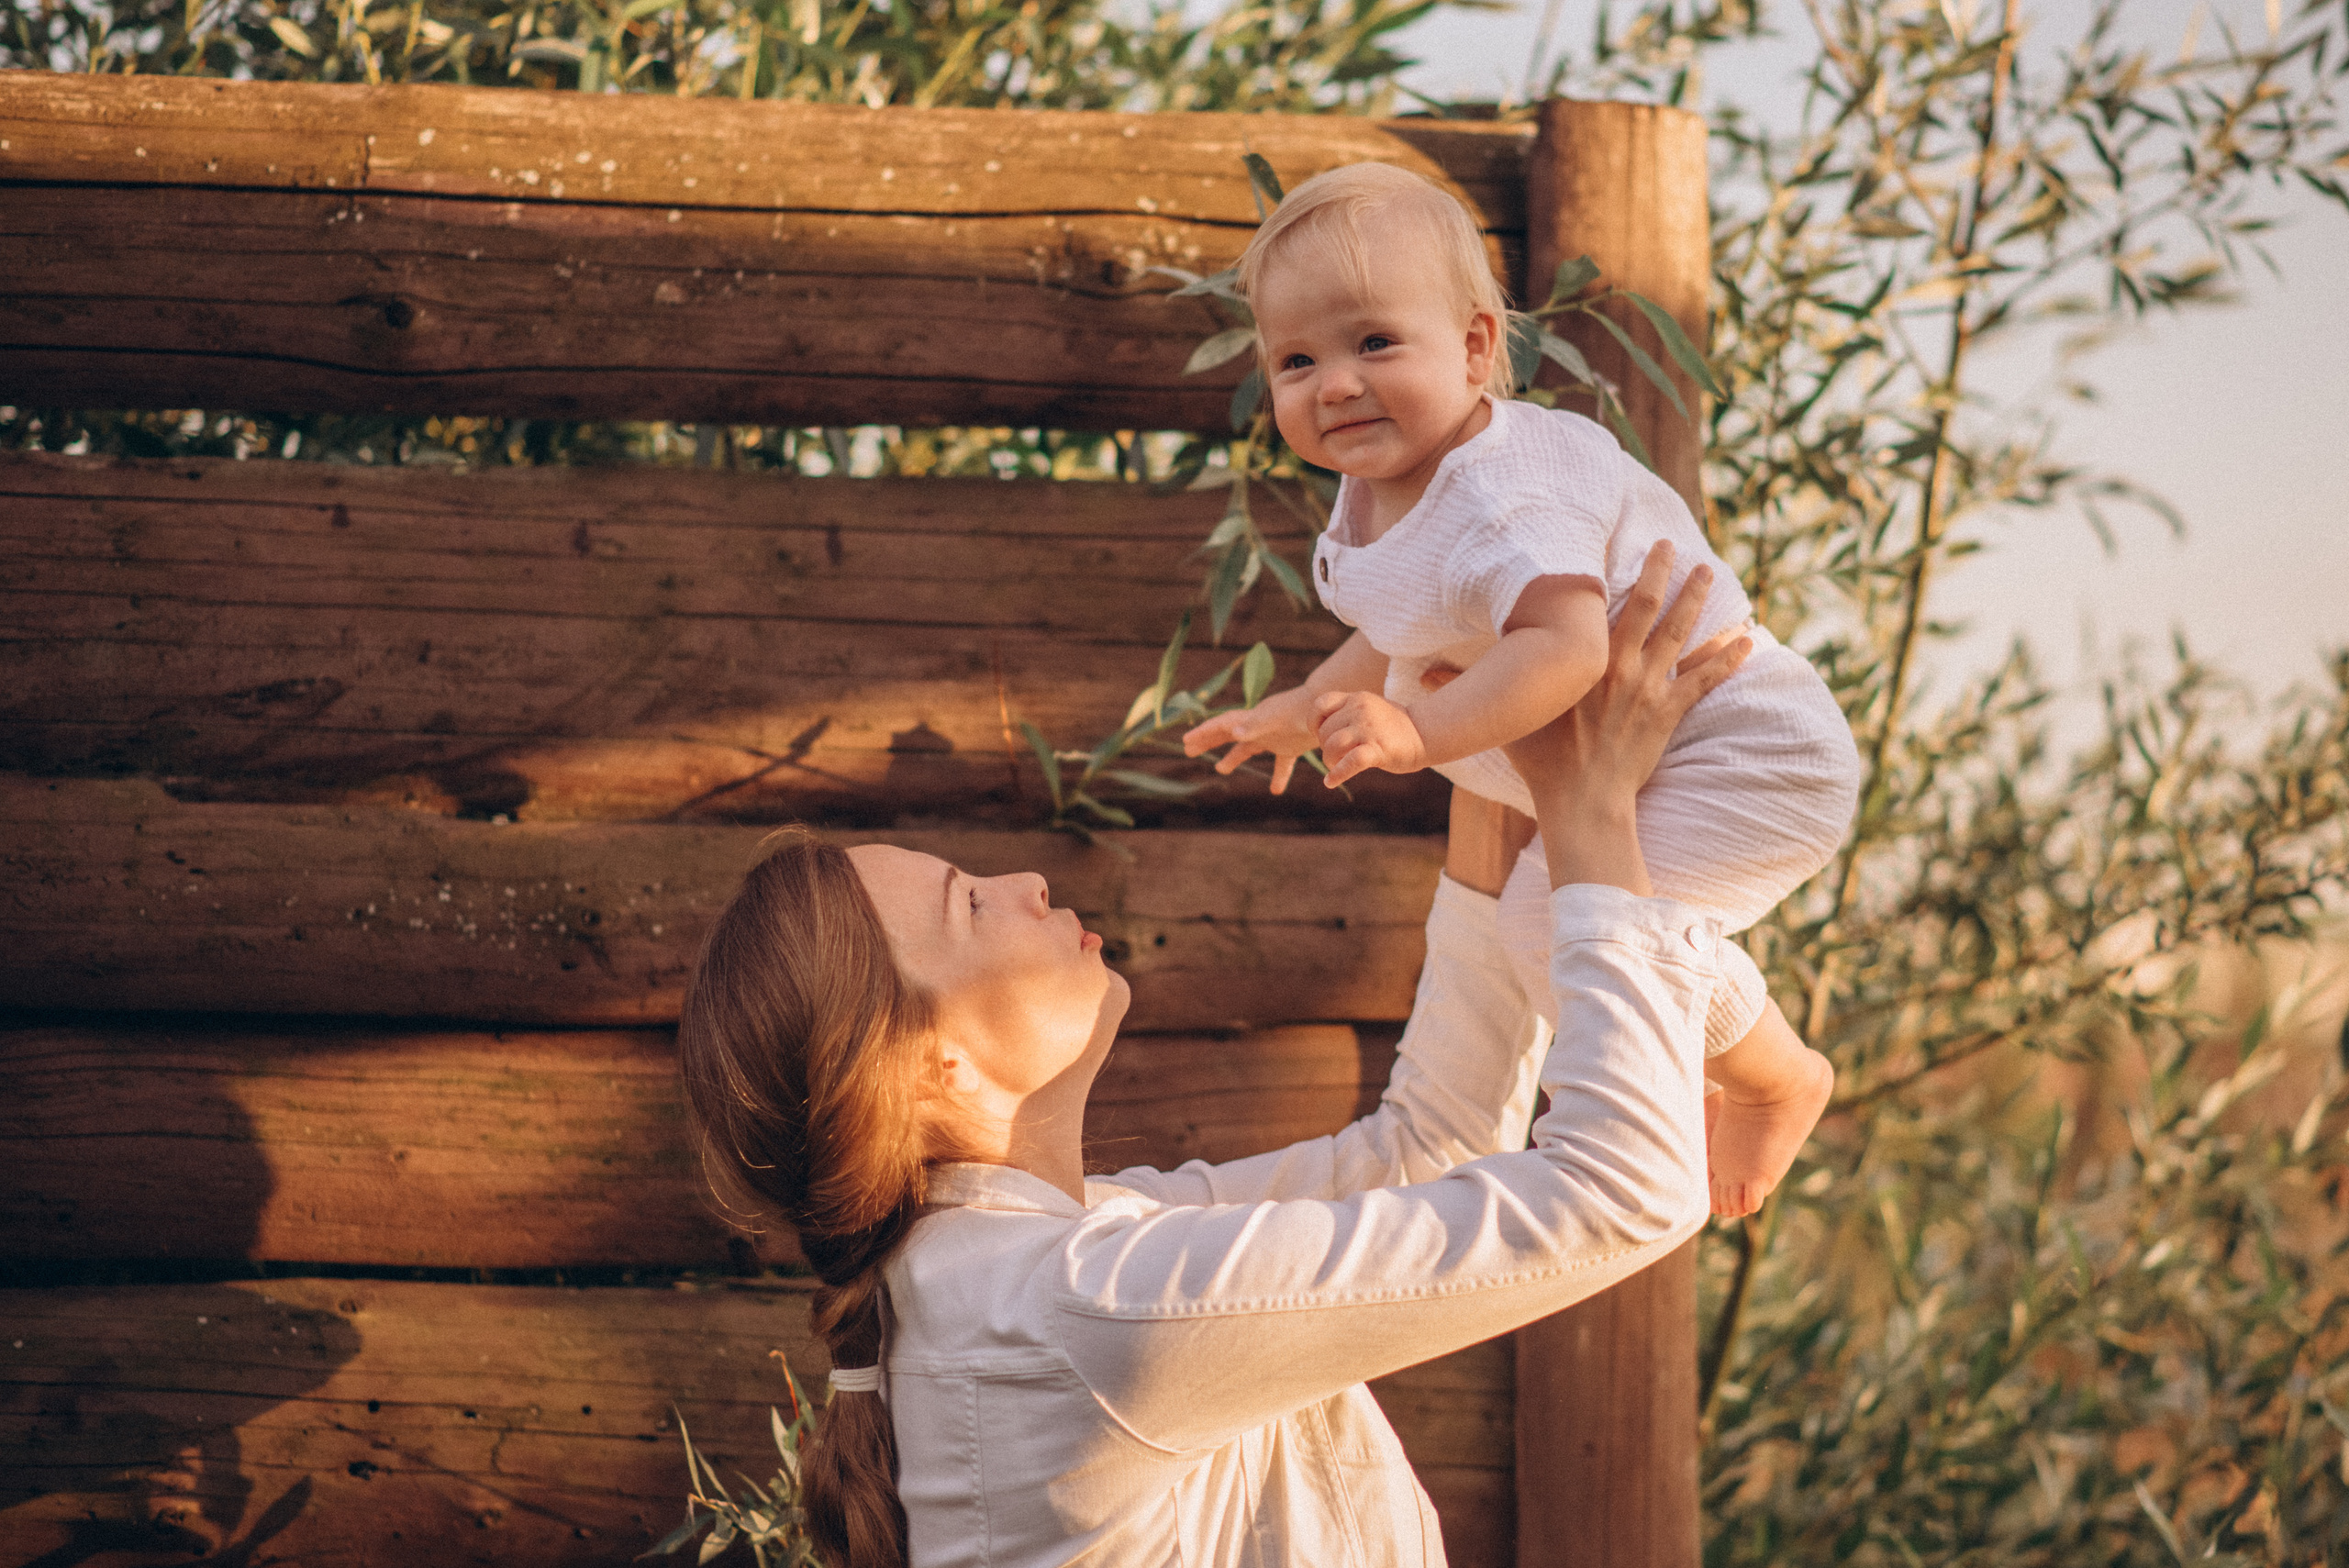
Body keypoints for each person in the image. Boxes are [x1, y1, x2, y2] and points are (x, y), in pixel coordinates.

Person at [680, 547, 1754, 1568]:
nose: (1026, 885)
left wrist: (1496, 779)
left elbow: (1422, 1154)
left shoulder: (1059, 1257)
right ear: (928, 1071)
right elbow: (1627, 1188)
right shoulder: (1078, 1305)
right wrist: (1588, 804)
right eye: (970, 904)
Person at [1179, 161, 1859, 1217]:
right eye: (1296, 360)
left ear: (1475, 346)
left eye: (1373, 343)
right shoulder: (1378, 486)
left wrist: (1413, 734)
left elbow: (1566, 648)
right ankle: (1718, 1071)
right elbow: (1394, 630)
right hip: (1651, 753)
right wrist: (1303, 705)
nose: (1335, 384)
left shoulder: (1504, 490)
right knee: (1554, 923)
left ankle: (1773, 1074)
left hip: (1744, 746)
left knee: (1553, 926)